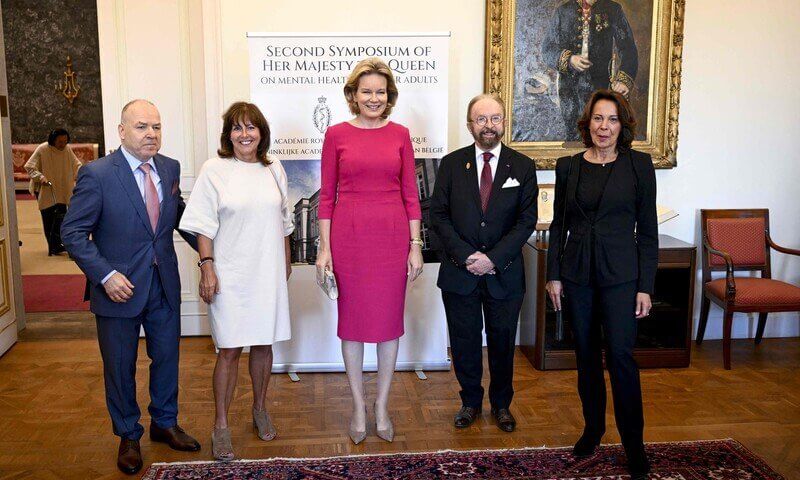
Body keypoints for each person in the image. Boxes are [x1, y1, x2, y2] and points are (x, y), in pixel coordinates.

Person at [61, 100, 201, 475]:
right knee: (120, 367)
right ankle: (127, 435)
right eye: (141, 127)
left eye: (156, 126)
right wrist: (105, 275)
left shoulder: (170, 168)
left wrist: (215, 249)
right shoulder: (97, 173)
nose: (151, 134)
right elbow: (72, 232)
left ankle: (164, 423)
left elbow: (179, 219)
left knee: (167, 358)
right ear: (122, 131)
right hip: (117, 290)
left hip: (163, 285)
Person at [544, 89, 657, 479]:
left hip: (622, 278)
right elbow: (559, 224)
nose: (603, 127)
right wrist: (553, 274)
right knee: (587, 358)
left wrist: (646, 285)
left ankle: (634, 445)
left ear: (621, 125)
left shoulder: (639, 165)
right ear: (587, 123)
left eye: (610, 120)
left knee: (622, 359)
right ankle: (593, 429)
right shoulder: (569, 166)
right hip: (578, 277)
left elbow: (649, 232)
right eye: (597, 119)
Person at [316, 57, 423, 444]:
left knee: (388, 324)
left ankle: (382, 406)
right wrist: (324, 249)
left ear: (388, 95)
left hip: (393, 238)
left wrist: (415, 246)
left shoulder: (400, 134)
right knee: (354, 325)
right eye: (366, 92)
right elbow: (327, 197)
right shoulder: (336, 135)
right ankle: (359, 406)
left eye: (380, 91)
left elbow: (411, 194)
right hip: (349, 238)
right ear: (353, 95)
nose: (374, 98)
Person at [179, 102, 294, 461]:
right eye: (237, 128)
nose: (245, 135)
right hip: (229, 273)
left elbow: (284, 221)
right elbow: (201, 223)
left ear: (262, 132)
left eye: (251, 128)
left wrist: (286, 265)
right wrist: (207, 267)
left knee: (263, 343)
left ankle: (260, 409)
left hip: (267, 271)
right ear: (228, 134)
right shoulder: (214, 170)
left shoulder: (274, 169)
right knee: (229, 349)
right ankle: (221, 425)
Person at [429, 94, 539, 433]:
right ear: (470, 125)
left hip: (504, 273)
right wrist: (467, 257)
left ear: (504, 122)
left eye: (495, 118)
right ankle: (470, 402)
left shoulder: (522, 166)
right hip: (459, 273)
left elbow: (526, 221)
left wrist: (493, 258)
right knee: (464, 342)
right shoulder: (450, 164)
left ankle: (502, 404)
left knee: (504, 342)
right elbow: (439, 217)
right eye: (481, 119)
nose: (488, 125)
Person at [543, 0, 638, 141]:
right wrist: (570, 59)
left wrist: (624, 80)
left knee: (601, 137)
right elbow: (547, 50)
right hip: (570, 90)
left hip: (601, 86)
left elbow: (628, 48)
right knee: (573, 137)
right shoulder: (563, 11)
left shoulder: (613, 9)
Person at [24, 128, 82, 255]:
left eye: (65, 141)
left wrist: (83, 173)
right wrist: (40, 177)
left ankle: (59, 244)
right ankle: (53, 246)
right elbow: (29, 166)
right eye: (60, 142)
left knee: (61, 218)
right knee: (49, 218)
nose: (63, 144)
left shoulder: (67, 149)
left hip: (62, 188)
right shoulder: (43, 149)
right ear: (53, 140)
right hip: (46, 188)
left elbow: (76, 165)